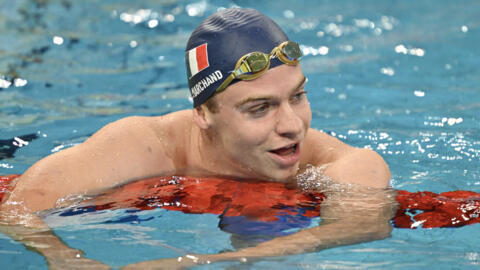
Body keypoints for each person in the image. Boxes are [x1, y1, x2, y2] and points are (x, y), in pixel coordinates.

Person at [0, 8, 394, 269]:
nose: (292, 126)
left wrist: (201, 261)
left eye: (298, 96)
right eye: (260, 108)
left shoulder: (340, 163)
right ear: (203, 114)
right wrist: (68, 259)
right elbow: (16, 209)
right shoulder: (143, 145)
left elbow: (360, 227)